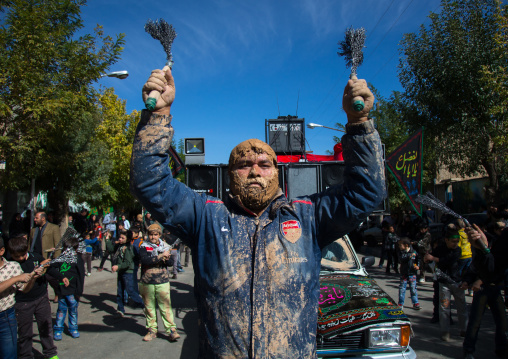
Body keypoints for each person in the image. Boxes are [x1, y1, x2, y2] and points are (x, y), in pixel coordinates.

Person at [129, 67, 384, 358]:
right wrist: (157, 117)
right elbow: (150, 183)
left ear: (277, 174)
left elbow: (365, 192)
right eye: (243, 164)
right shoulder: (207, 218)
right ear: (229, 176)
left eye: (264, 164)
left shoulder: (308, 218)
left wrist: (359, 123)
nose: (254, 171)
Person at [8, 235, 64, 359]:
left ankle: (50, 354)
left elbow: (48, 269)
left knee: (45, 327)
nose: (21, 258)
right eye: (17, 256)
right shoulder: (10, 264)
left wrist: (61, 277)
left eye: (23, 255)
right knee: (25, 333)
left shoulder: (35, 257)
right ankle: (26, 356)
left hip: (41, 298)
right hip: (22, 303)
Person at [461, 224, 508, 359]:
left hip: (494, 287)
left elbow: (499, 268)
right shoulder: (493, 243)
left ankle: (501, 348)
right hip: (485, 289)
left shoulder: (497, 240)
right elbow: (486, 267)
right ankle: (469, 349)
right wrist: (469, 280)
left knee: (502, 322)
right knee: (476, 320)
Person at [424, 224, 468, 342]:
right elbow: (433, 257)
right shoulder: (440, 248)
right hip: (443, 283)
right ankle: (445, 332)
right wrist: (427, 258)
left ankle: (464, 329)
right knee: (444, 308)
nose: (455, 243)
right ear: (446, 240)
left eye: (457, 241)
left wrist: (434, 259)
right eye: (453, 241)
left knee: (461, 307)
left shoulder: (457, 250)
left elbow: (448, 260)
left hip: (456, 282)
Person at [0, 237, 41, 359]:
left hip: (6, 317)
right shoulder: (15, 275)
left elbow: (24, 289)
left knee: (8, 354)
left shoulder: (13, 267)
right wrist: (16, 278)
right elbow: (18, 280)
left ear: (1, 251)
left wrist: (33, 277)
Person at [139, 224, 179, 342]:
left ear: (159, 235)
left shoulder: (165, 246)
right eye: (151, 234)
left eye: (155, 235)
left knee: (165, 307)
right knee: (149, 308)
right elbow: (145, 260)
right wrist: (161, 256)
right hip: (147, 281)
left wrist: (166, 258)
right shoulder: (144, 246)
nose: (153, 237)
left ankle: (171, 330)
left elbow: (171, 262)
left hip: (162, 281)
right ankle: (152, 330)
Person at [50, 235, 85, 341]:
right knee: (61, 310)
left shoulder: (78, 259)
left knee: (73, 311)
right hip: (62, 290)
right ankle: (58, 329)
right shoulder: (61, 258)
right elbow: (52, 267)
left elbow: (81, 276)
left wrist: (79, 291)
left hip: (73, 291)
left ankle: (73, 328)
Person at [28, 211, 61, 302]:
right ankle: (42, 297)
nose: (34, 219)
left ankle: (57, 292)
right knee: (39, 278)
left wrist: (56, 259)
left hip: (47, 257)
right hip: (35, 257)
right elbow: (30, 244)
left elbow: (58, 244)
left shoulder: (53, 227)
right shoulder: (34, 230)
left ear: (43, 218)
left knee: (50, 278)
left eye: (36, 218)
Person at [112, 229, 144, 316]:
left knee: (130, 291)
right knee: (120, 291)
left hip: (128, 272)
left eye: (122, 238)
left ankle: (143, 305)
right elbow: (111, 250)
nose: (120, 239)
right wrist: (107, 240)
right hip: (121, 272)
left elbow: (127, 262)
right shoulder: (119, 246)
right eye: (119, 237)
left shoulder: (129, 248)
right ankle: (120, 309)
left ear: (128, 239)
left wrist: (118, 266)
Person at [397, 237, 421, 310]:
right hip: (404, 273)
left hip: (412, 273)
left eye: (401, 245)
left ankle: (415, 303)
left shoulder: (414, 252)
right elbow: (401, 259)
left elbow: (418, 259)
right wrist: (408, 256)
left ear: (406, 245)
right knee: (402, 289)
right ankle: (400, 303)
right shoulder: (401, 252)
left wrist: (418, 266)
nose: (399, 247)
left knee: (413, 288)